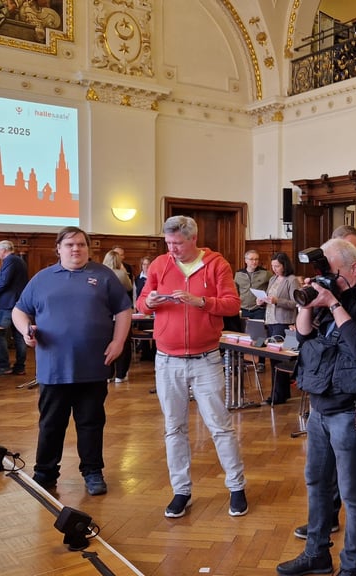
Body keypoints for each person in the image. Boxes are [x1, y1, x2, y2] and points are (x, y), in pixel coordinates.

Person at [277, 238, 356, 576]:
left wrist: (332, 303)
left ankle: (352, 566)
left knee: (354, 495)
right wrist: (307, 302)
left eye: (332, 273)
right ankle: (316, 554)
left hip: (353, 410)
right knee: (316, 483)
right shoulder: (333, 290)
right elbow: (302, 337)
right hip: (320, 406)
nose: (328, 280)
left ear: (353, 269)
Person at [135, 216, 248, 519]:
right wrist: (151, 302)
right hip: (167, 360)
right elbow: (142, 302)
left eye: (177, 243)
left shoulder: (216, 265)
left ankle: (236, 487)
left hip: (206, 359)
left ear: (193, 239)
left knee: (220, 427)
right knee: (174, 428)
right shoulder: (160, 264)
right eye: (168, 243)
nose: (171, 249)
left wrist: (201, 301)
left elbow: (232, 304)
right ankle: (181, 490)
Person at [12, 226, 131, 496]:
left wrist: (118, 341)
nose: (75, 249)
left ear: (88, 248)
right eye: (69, 245)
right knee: (51, 421)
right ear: (59, 248)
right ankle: (45, 471)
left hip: (93, 365)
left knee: (91, 421)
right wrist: (25, 331)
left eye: (80, 244)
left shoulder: (104, 276)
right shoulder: (42, 278)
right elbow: (20, 311)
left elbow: (124, 310)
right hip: (53, 367)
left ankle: (92, 471)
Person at [258, 252, 300, 405]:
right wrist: (262, 301)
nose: (274, 269)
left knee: (280, 359)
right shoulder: (273, 279)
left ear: (285, 265)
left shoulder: (292, 280)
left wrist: (277, 301)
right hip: (270, 320)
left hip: (284, 322)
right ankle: (281, 393)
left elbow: (296, 303)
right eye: (273, 266)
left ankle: (278, 395)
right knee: (273, 359)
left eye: (277, 266)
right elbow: (269, 297)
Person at [0, 240, 29, 378]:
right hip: (19, 305)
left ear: (4, 250)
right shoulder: (19, 261)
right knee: (19, 336)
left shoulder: (10, 260)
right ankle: (20, 367)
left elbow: (4, 282)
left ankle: (4, 366)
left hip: (7, 304)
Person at [234, 249, 270, 372]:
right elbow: (235, 290)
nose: (254, 262)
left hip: (258, 309)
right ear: (246, 261)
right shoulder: (238, 274)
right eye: (251, 259)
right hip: (244, 308)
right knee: (244, 336)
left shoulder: (265, 274)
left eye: (256, 259)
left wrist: (265, 300)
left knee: (259, 336)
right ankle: (242, 361)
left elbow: (271, 289)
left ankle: (261, 362)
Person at [103, 250, 133, 383]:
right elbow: (129, 287)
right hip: (120, 314)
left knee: (106, 343)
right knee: (123, 344)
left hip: (104, 315)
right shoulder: (121, 274)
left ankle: (108, 374)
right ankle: (120, 374)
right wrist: (123, 271)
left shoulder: (100, 274)